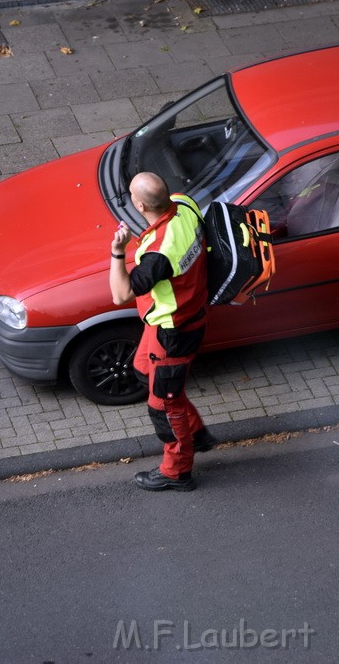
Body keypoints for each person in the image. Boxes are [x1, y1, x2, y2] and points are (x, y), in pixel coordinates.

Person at [110, 172, 217, 492]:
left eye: (131, 195)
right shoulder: (184, 205)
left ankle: (177, 471)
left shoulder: (158, 255)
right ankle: (196, 435)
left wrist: (117, 251)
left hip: (174, 332)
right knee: (144, 371)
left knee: (163, 407)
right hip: (178, 320)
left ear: (140, 205)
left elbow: (120, 294)